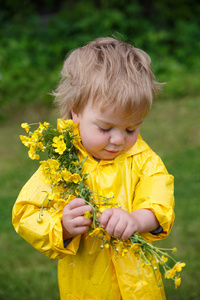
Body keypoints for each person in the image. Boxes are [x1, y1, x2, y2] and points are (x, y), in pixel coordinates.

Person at [12, 37, 175, 300]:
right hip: (87, 288)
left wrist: (135, 220)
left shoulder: (144, 160)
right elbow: (26, 213)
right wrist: (62, 226)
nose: (119, 139)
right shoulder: (61, 164)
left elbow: (160, 203)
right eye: (105, 128)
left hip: (139, 288)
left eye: (131, 128)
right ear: (76, 112)